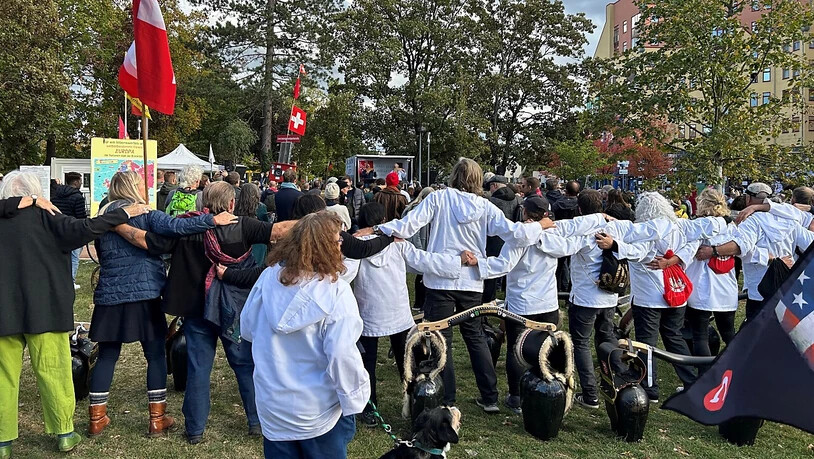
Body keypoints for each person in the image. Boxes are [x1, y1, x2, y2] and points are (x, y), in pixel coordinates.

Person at [357, 158, 556, 412]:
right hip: (471, 281)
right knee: (474, 336)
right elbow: (515, 233)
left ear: (454, 176)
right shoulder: (484, 206)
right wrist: (540, 225)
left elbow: (407, 226)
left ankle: (447, 397)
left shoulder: (439, 199)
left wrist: (375, 228)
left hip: (441, 279)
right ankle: (489, 396)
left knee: (442, 339)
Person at [118, 182, 294, 444]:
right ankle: (256, 422)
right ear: (232, 204)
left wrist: (117, 224)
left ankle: (195, 430)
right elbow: (279, 231)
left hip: (195, 308)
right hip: (235, 308)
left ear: (202, 204)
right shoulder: (243, 225)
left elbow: (147, 241)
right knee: (244, 364)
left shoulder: (185, 228)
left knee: (198, 368)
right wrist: (320, 222)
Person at [0, 172, 150, 456]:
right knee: (54, 371)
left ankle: (3, 442)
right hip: (47, 309)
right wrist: (124, 213)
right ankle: (65, 433)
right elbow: (89, 227)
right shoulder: (50, 216)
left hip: (4, 311)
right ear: (36, 195)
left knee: (3, 376)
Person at [88, 171, 234, 439]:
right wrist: (212, 219)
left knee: (107, 356)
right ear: (135, 188)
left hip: (110, 293)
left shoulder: (104, 217)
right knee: (155, 355)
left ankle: (96, 418)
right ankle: (157, 419)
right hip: (145, 293)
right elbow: (178, 227)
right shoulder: (146, 214)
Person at [240, 212, 370, 458]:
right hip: (318, 412)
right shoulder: (337, 292)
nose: (341, 244)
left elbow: (247, 327)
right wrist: (355, 400)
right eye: (337, 240)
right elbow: (342, 355)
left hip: (274, 407)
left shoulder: (268, 278)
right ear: (324, 246)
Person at [473, 196, 615, 413]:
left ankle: (516, 397)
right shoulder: (556, 236)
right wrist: (599, 219)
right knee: (544, 350)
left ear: (524, 212)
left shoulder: (519, 236)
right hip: (548, 304)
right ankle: (543, 390)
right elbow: (575, 228)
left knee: (516, 351)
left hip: (521, 304)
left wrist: (476, 264)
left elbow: (502, 265)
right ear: (546, 214)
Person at [352, 202, 468, 426]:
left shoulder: (358, 246)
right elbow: (425, 260)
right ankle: (417, 402)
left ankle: (369, 409)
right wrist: (457, 261)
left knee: (367, 365)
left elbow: (344, 273)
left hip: (368, 312)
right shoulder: (397, 244)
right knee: (409, 363)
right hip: (397, 312)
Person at [710, 182, 814, 320]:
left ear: (748, 198)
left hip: (758, 288)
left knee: (755, 333)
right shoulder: (791, 220)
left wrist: (713, 250)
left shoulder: (751, 222)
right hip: (786, 285)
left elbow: (742, 247)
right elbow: (810, 243)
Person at [673, 189, 738, 367]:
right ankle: (738, 371)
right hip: (726, 288)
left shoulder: (700, 226)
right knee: (729, 334)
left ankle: (705, 379)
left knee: (700, 336)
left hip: (701, 286)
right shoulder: (730, 227)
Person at [482, 175, 522, 304]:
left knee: (491, 269)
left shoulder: (491, 201)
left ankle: (489, 298)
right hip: (510, 238)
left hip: (493, 239)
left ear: (494, 186)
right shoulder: (517, 200)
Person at [51, 171, 87, 289]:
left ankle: (58, 280)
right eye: (81, 181)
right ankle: (70, 282)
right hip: (73, 230)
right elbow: (80, 216)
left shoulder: (56, 195)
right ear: (76, 182)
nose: (81, 183)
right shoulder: (78, 197)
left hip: (58, 229)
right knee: (74, 257)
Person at [552, 180, 581, 293]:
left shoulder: (557, 204)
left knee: (558, 267)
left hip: (560, 237)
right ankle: (570, 290)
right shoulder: (579, 205)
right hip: (575, 237)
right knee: (574, 266)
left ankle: (557, 290)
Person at [235, 183, 270, 265]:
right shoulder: (261, 207)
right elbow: (266, 224)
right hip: (258, 240)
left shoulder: (237, 206)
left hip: (240, 238)